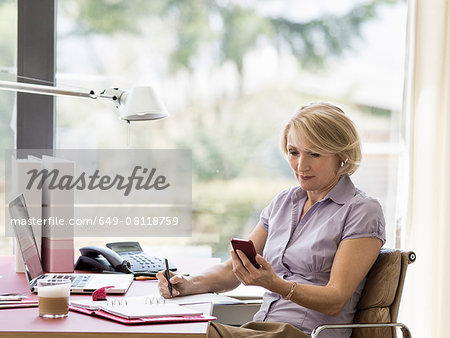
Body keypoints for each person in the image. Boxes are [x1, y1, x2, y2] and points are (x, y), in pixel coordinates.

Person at [157, 102, 385, 338]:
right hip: (261, 330)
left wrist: (275, 284)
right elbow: (232, 270)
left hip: (307, 334)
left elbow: (335, 299)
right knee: (169, 329)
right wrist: (188, 283)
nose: (300, 165)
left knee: (183, 334)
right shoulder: (284, 202)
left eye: (314, 154)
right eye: (294, 152)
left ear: (342, 156)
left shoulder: (362, 211)